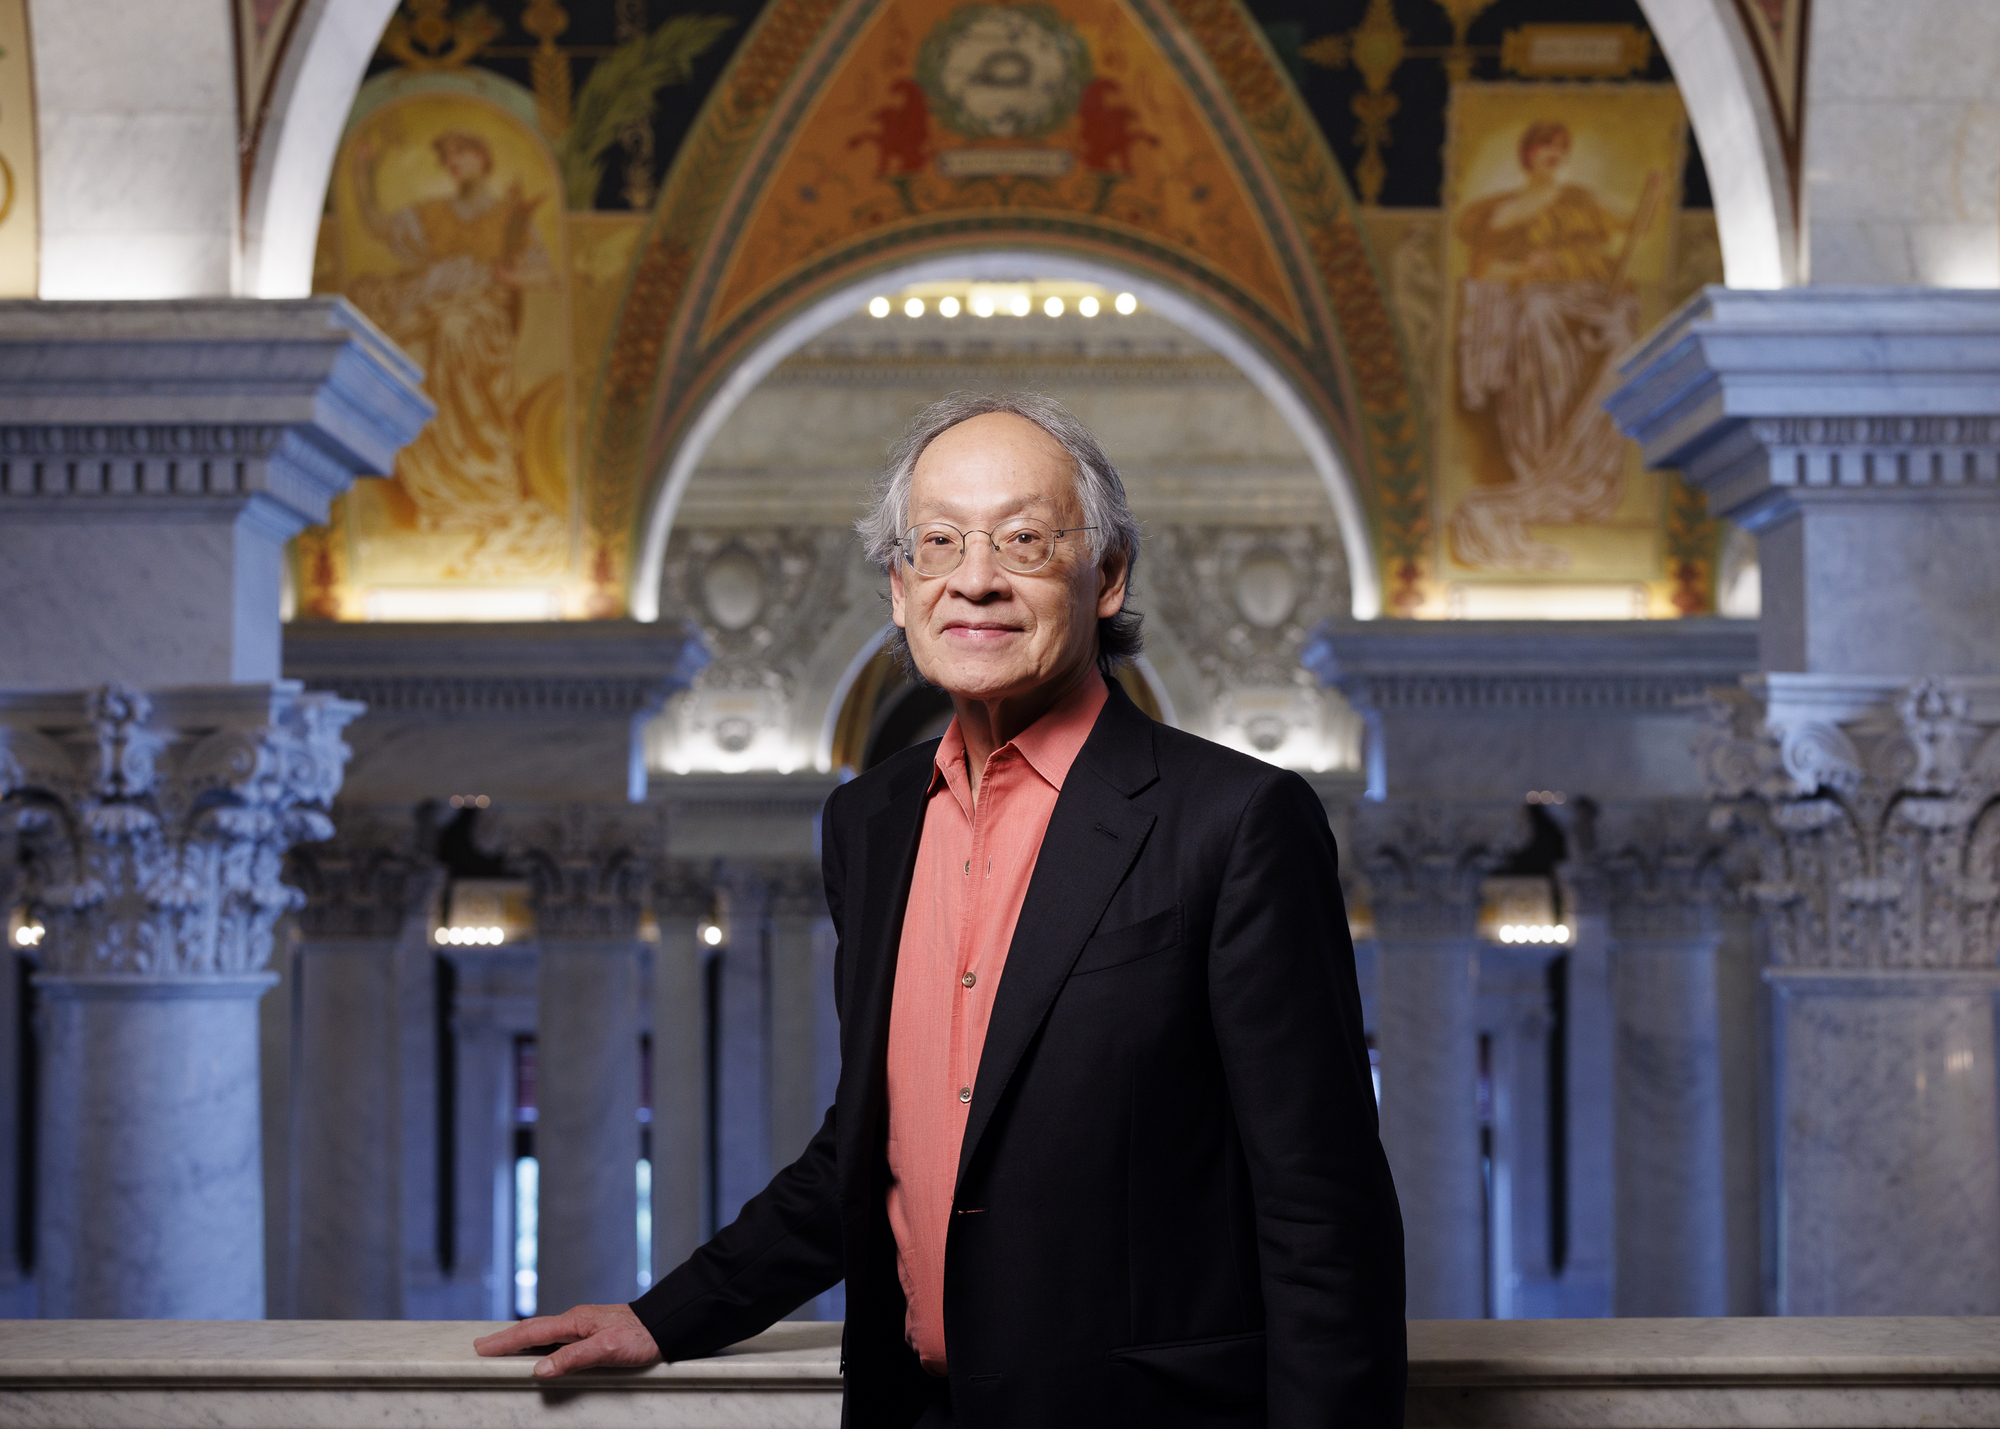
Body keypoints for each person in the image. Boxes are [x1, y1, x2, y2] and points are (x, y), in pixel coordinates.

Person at [474, 393, 1406, 1427]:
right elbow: (870, 1147)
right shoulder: (867, 823)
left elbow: (1321, 1208)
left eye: (1022, 539)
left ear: (1106, 577)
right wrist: (667, 1315)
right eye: (938, 542)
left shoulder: (1235, 821)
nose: (974, 578)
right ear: (898, 583)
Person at [347, 127, 568, 577]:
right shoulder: (431, 215)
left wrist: (510, 276)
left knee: (456, 330)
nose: (452, 163)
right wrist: (362, 172)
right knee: (409, 353)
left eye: (460, 154)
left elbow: (546, 273)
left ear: (482, 158)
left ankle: (484, 482)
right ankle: (441, 490)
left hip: (482, 318)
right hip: (432, 305)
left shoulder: (510, 215)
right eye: (446, 157)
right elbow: (375, 223)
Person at [1451, 119, 1659, 570]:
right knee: (1537, 310)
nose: (1554, 154)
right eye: (1546, 146)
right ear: (1528, 154)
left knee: (1618, 336)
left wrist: (1643, 199)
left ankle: (1583, 457)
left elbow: (1636, 221)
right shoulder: (1507, 209)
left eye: (1561, 147)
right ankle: (1544, 451)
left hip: (1590, 297)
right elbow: (1484, 266)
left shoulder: (1580, 199)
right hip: (1542, 303)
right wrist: (1526, 264)